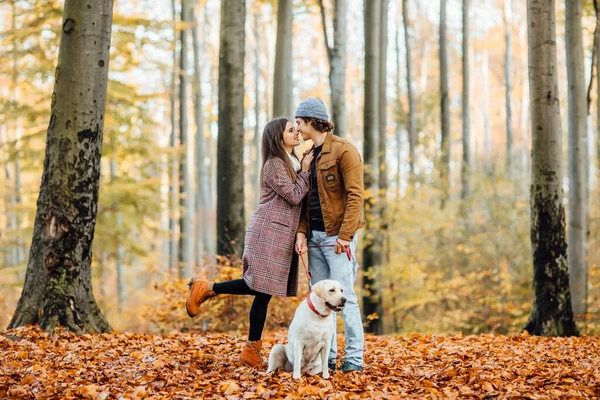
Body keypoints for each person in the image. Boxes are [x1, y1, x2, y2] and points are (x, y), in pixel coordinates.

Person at [185, 118, 314, 368]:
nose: (297, 132)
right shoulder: (274, 164)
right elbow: (294, 195)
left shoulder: (293, 162)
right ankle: (208, 288)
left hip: (280, 234)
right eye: (291, 130)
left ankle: (250, 350)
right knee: (257, 285)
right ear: (278, 138)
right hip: (267, 231)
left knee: (263, 292)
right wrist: (306, 172)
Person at [294, 97, 366, 373]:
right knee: (324, 301)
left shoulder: (344, 150)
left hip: (338, 238)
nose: (297, 128)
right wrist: (301, 233)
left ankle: (354, 359)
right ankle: (330, 358)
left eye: (299, 122)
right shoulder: (307, 156)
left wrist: (345, 236)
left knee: (345, 299)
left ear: (312, 121)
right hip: (313, 240)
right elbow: (303, 199)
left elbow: (356, 194)